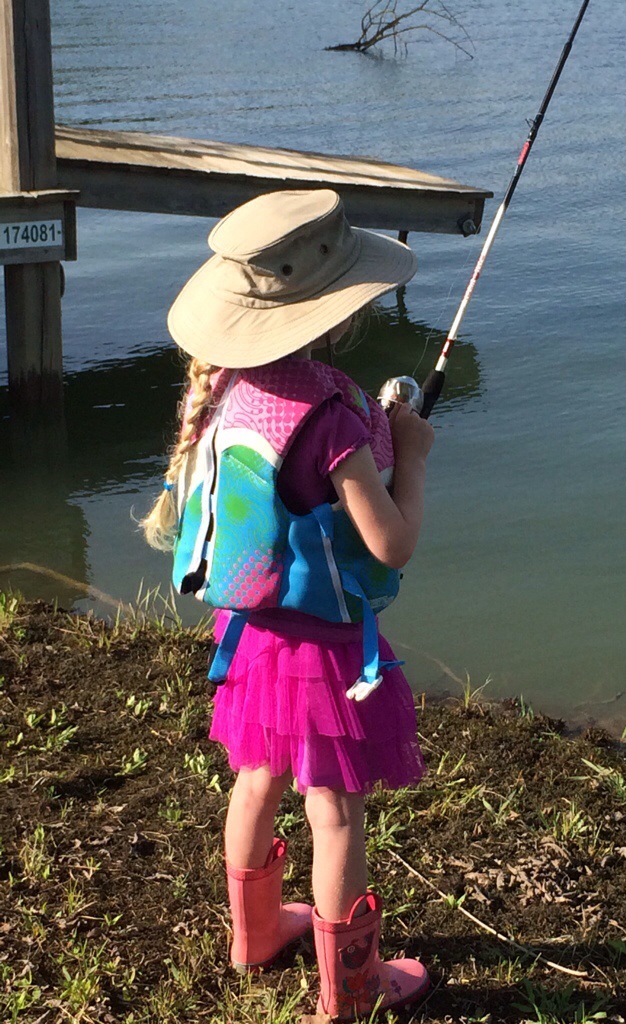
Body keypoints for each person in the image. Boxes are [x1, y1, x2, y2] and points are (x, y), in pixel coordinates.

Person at [142, 189, 434, 1019]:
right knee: (335, 813)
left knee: (256, 781)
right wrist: (412, 453)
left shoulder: (230, 387)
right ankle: (352, 990)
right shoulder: (333, 418)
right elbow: (391, 544)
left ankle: (257, 936)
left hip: (250, 635)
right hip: (321, 654)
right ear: (336, 312)